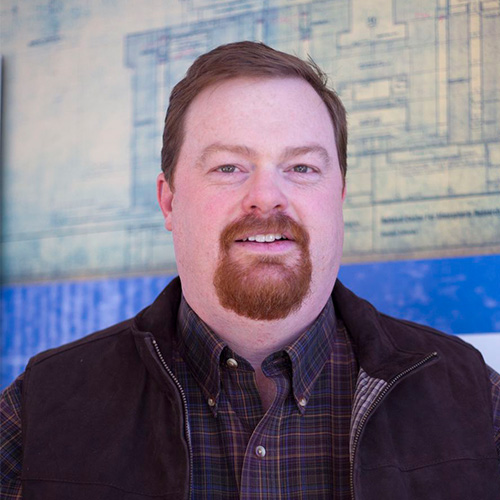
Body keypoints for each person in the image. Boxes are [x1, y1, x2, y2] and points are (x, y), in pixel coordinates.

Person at [1, 41, 499, 500]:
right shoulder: (38, 411)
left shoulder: (477, 401)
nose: (266, 196)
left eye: (302, 167)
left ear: (339, 198)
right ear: (169, 202)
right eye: (228, 168)